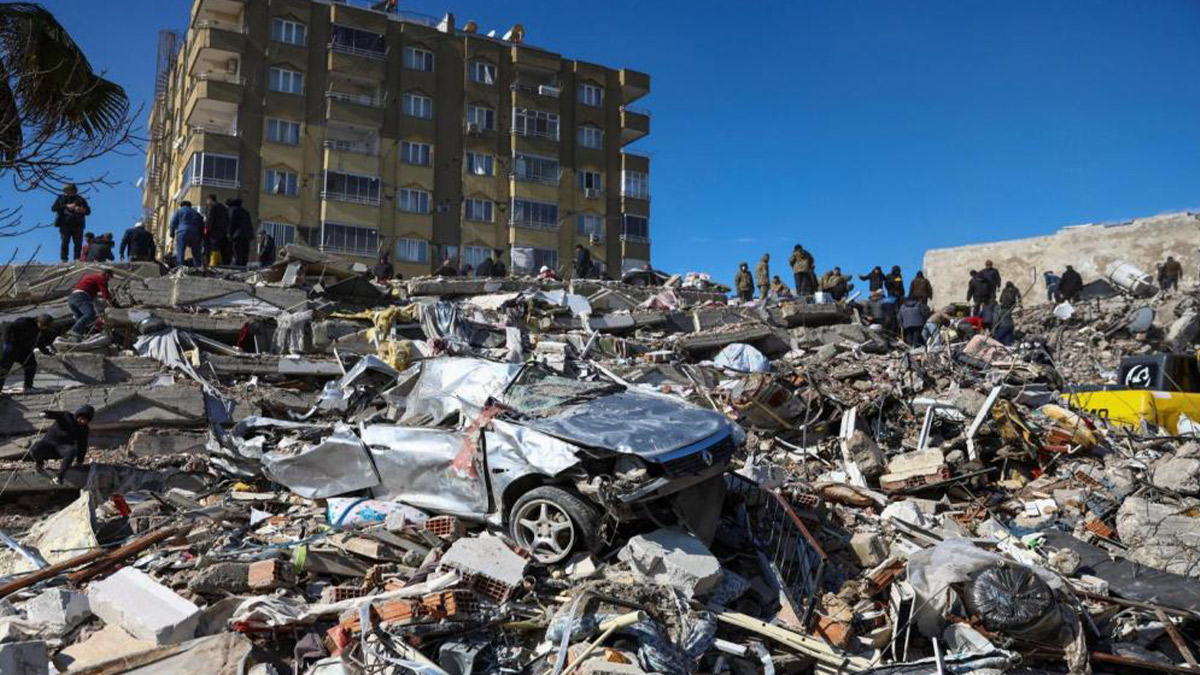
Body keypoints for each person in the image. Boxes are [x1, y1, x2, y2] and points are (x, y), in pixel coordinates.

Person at [26, 405, 94, 484]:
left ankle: (59, 476)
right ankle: (40, 463)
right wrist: (44, 414)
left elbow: (82, 445)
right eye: (82, 418)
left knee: (72, 450)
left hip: (61, 449)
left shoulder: (84, 429)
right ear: (78, 415)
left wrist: (80, 461)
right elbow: (54, 414)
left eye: (85, 420)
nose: (82, 421)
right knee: (35, 448)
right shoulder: (66, 416)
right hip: (48, 445)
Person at [0, 314, 55, 394]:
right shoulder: (25, 322)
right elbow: (6, 327)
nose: (44, 327)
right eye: (43, 325)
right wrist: (7, 342)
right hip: (10, 349)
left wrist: (46, 351)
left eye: (46, 326)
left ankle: (28, 387)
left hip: (24, 351)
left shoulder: (40, 330)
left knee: (31, 365)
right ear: (38, 321)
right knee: (3, 370)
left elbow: (39, 342)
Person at [67, 269, 116, 337]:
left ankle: (76, 337)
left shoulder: (90, 278)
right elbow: (106, 294)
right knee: (90, 314)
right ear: (106, 274)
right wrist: (111, 306)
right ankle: (74, 330)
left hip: (72, 298)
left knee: (80, 319)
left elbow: (94, 300)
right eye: (109, 277)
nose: (109, 280)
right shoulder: (101, 278)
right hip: (81, 297)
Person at [51, 183, 91, 262]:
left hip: (78, 224)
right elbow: (54, 208)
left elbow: (88, 211)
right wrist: (66, 206)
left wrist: (82, 210)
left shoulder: (80, 199)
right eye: (66, 190)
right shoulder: (61, 198)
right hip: (64, 223)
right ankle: (64, 259)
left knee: (78, 243)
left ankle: (77, 259)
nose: (67, 192)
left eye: (69, 190)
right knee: (65, 242)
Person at [169, 200, 204, 267]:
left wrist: (172, 233)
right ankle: (197, 266)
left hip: (182, 231)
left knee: (181, 249)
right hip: (194, 232)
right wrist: (201, 237)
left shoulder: (179, 211)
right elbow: (201, 225)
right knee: (196, 251)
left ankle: (181, 266)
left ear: (181, 206)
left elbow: (172, 222)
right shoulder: (196, 213)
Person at [202, 194, 230, 267]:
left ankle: (212, 263)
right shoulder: (223, 208)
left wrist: (206, 229)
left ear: (210, 199)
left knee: (213, 247)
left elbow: (210, 220)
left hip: (213, 232)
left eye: (207, 200)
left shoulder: (212, 207)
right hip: (222, 232)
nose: (207, 202)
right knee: (219, 247)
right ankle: (218, 262)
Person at [228, 198, 255, 266]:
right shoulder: (245, 212)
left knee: (237, 254)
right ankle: (243, 267)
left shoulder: (233, 210)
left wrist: (229, 233)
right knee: (244, 254)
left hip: (237, 236)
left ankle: (238, 267)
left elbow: (231, 223)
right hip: (247, 236)